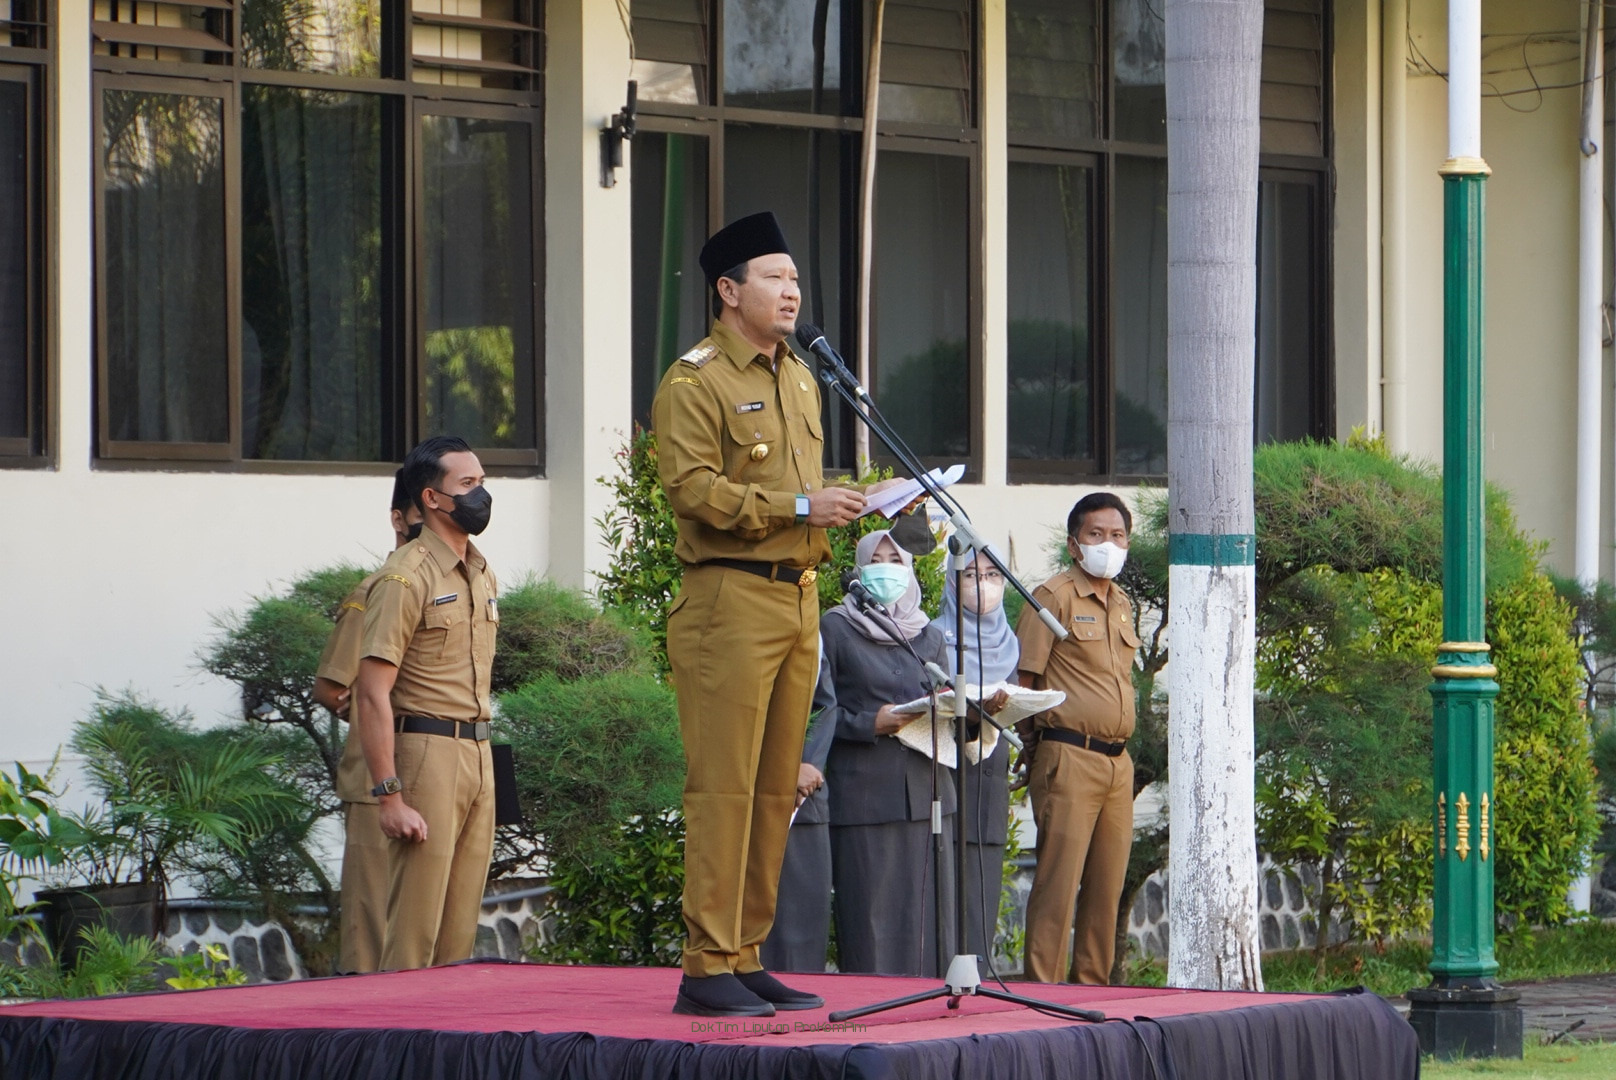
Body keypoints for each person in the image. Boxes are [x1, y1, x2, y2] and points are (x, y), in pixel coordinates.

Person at [652, 210, 889, 1017]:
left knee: (774, 788)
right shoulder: (696, 380)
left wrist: (840, 507)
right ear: (728, 291)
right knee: (724, 786)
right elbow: (692, 493)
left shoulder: (798, 373)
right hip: (729, 598)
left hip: (798, 597)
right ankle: (705, 963)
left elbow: (802, 497)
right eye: (773, 278)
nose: (791, 292)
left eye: (794, 279)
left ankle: (744, 952)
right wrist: (799, 502)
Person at [352, 435, 500, 971]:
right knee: (414, 934)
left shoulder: (480, 571)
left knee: (458, 935)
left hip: (478, 754)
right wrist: (389, 796)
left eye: (482, 483)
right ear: (433, 499)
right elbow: (371, 692)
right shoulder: (404, 576)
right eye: (467, 485)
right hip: (426, 755)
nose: (480, 495)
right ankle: (398, 1046)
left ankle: (446, 1050)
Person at [1014, 492, 1139, 984]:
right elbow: (1023, 684)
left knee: (1105, 888)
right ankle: (1043, 996)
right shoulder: (1053, 597)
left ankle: (1093, 991)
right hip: (1068, 754)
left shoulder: (1123, 603)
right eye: (1095, 535)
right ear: (1073, 543)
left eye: (1117, 535)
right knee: (1058, 884)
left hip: (1117, 764)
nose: (1107, 544)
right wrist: (1034, 750)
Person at [821, 531, 954, 976]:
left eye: (894, 559)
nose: (884, 569)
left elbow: (944, 702)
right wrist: (868, 724)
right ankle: (872, 1014)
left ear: (910, 569)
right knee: (869, 920)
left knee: (923, 920)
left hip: (925, 794)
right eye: (874, 560)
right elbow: (813, 713)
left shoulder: (930, 635)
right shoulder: (834, 627)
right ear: (858, 570)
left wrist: (966, 708)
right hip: (862, 795)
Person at [310, 471, 423, 974]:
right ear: (398, 518)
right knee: (370, 934)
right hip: (374, 787)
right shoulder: (377, 590)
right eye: (418, 512)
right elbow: (332, 686)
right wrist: (378, 704)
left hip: (432, 771)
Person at [931, 551, 1017, 974]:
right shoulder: (932, 637)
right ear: (951, 581)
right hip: (947, 781)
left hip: (990, 783)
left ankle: (979, 980)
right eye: (970, 575)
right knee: (945, 894)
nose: (982, 584)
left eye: (991, 574)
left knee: (982, 891)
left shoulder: (1009, 641)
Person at [758, 653, 834, 974]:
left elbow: (824, 705)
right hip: (749, 794)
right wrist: (784, 771)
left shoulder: (809, 632)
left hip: (805, 798)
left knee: (802, 920)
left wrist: (807, 765)